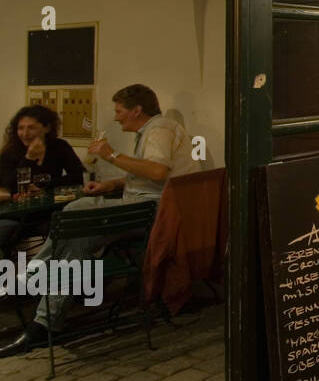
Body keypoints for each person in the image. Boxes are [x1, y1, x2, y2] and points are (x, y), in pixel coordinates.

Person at [0, 84, 197, 357]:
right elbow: (153, 177)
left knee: (75, 222)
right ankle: (42, 313)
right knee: (75, 228)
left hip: (152, 213)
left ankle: (32, 287)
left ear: (136, 110)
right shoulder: (154, 130)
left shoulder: (160, 129)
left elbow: (157, 170)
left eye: (119, 111)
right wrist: (111, 185)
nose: (116, 117)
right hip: (145, 207)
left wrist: (111, 155)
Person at [0, 105, 85, 254]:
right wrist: (29, 159)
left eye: (31, 128)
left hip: (47, 214)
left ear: (46, 128)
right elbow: (7, 186)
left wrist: (44, 186)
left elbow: (78, 177)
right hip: (15, 216)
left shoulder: (59, 146)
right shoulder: (10, 152)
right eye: (21, 128)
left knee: (74, 229)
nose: (25, 133)